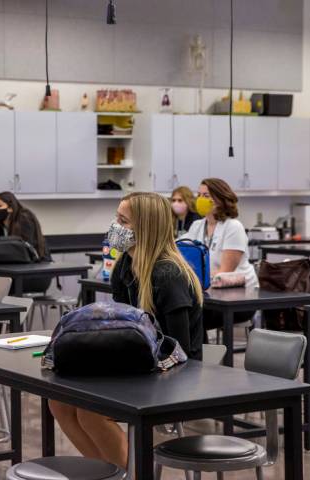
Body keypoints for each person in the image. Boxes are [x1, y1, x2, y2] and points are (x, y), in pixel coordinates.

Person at [48, 192, 203, 469]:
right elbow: (118, 326)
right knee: (58, 404)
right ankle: (110, 473)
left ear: (145, 227)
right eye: (116, 218)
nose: (115, 226)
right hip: (138, 366)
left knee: (90, 412)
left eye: (123, 220)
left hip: (173, 375)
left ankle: (130, 475)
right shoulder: (124, 267)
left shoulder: (169, 275)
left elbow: (181, 350)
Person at [182, 178, 258, 332]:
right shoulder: (197, 226)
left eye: (206, 195)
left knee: (191, 316)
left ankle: (198, 354)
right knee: (179, 310)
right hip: (210, 296)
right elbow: (177, 248)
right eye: (199, 195)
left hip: (239, 299)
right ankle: (193, 353)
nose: (201, 199)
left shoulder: (233, 227)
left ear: (220, 199)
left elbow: (225, 271)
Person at [0, 191, 51, 292]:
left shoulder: (24, 218)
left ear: (10, 208)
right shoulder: (1, 226)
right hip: (14, 272)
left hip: (35, 273)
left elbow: (25, 248)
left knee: (1, 287)